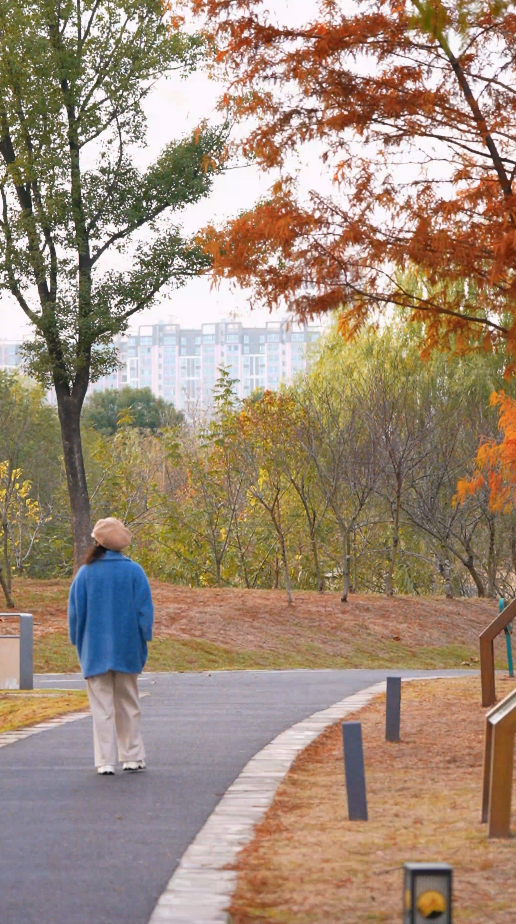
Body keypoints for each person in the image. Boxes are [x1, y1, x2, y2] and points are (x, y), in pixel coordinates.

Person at [68, 517, 154, 776]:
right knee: (128, 702)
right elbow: (145, 612)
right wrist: (144, 638)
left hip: (94, 649)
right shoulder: (134, 571)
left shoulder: (85, 573)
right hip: (127, 647)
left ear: (98, 542)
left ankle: (105, 760)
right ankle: (132, 755)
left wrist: (77, 640)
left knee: (101, 707)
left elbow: (75, 613)